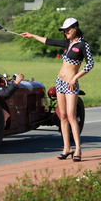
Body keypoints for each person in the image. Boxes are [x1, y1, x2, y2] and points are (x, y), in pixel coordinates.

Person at [21, 17, 94, 162]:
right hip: (59, 83)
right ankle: (67, 148)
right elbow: (49, 41)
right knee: (63, 116)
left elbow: (90, 64)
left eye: (67, 30)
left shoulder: (83, 45)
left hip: (71, 85)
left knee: (72, 117)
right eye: (64, 31)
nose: (65, 33)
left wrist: (75, 78)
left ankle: (78, 149)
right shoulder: (68, 43)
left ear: (75, 29)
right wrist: (32, 36)